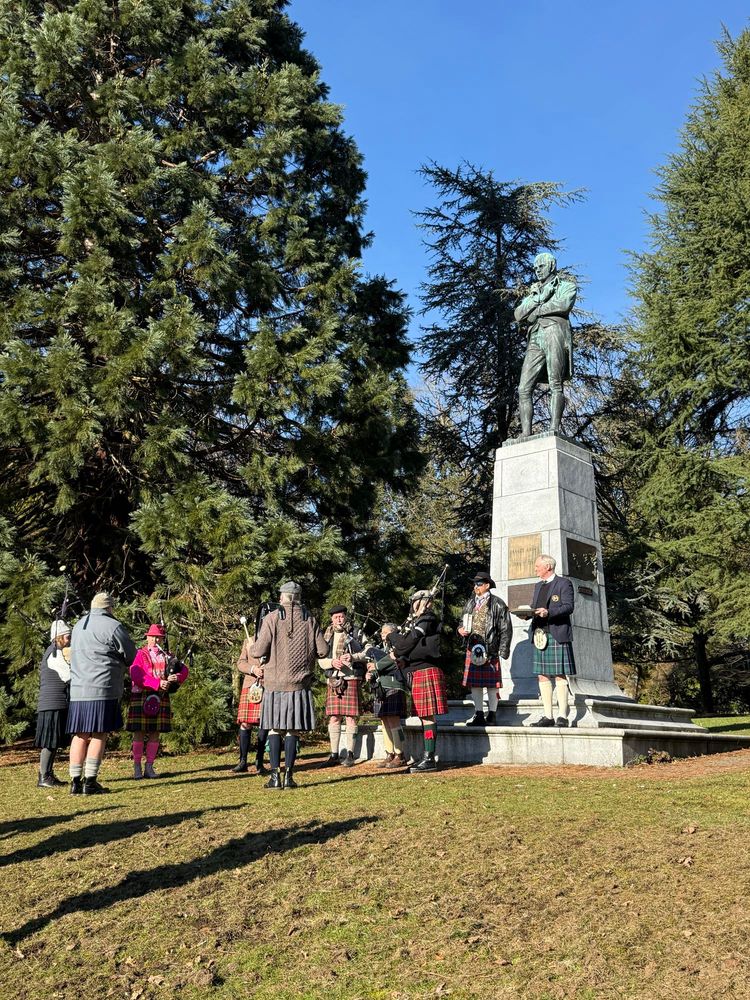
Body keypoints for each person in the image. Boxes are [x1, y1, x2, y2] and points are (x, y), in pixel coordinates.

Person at [249, 581, 328, 790]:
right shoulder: (310, 619)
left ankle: (275, 777)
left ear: (282, 597)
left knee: (275, 729)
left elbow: (258, 651)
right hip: (299, 684)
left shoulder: (271, 618)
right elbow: (323, 650)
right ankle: (289, 777)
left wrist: (252, 646)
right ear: (299, 597)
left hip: (275, 684)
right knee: (293, 731)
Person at [67, 592, 136, 794]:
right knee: (99, 733)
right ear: (109, 608)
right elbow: (131, 654)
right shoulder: (113, 626)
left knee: (79, 735)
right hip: (102, 688)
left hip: (78, 690)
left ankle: (74, 781)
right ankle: (90, 781)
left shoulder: (79, 625)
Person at [515, 252, 577, 436]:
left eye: (540, 267)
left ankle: (554, 428)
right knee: (523, 388)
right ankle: (526, 433)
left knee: (555, 383)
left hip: (554, 331)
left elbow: (564, 305)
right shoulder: (535, 293)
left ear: (551, 266)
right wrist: (538, 298)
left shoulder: (567, 286)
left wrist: (536, 312)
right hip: (535, 336)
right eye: (535, 268)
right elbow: (518, 315)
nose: (537, 270)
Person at [389, 589, 446, 774]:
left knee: (427, 715)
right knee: (424, 716)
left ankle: (429, 758)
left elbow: (406, 644)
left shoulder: (427, 618)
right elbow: (407, 646)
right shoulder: (418, 620)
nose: (414, 604)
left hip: (426, 670)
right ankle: (427, 756)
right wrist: (402, 656)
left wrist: (394, 643)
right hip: (417, 670)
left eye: (417, 601)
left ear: (425, 602)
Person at [126, 624, 188, 778]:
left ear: (162, 638)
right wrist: (157, 683)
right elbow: (136, 674)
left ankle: (149, 767)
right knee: (139, 733)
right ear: (147, 637)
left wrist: (176, 678)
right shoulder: (140, 654)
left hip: (160, 696)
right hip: (142, 694)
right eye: (152, 636)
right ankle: (137, 768)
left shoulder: (169, 656)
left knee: (155, 732)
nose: (155, 639)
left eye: (158, 637)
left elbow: (184, 670)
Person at [457, 571, 512, 726]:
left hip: (490, 647)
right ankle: (479, 713)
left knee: (492, 684)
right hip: (472, 647)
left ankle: (492, 714)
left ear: (487, 585)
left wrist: (503, 650)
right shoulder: (470, 603)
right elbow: (462, 622)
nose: (476, 587)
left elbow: (505, 628)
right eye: (475, 584)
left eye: (479, 584)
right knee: (475, 684)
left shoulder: (498, 604)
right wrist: (460, 630)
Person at [527, 555, 576, 727]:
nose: (535, 569)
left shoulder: (564, 583)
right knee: (542, 675)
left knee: (559, 674)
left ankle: (562, 715)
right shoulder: (538, 586)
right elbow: (535, 606)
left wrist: (549, 612)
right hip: (539, 634)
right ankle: (548, 716)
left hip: (556, 633)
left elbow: (569, 607)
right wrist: (528, 613)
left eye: (537, 566)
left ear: (548, 566)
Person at [318, 605, 368, 768]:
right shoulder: (326, 635)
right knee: (334, 717)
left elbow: (368, 651)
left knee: (351, 717)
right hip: (333, 678)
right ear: (331, 619)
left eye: (342, 616)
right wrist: (331, 662)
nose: (339, 619)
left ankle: (350, 755)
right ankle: (334, 754)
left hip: (351, 677)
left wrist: (353, 657)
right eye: (336, 617)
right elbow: (319, 657)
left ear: (346, 617)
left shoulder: (356, 633)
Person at [34, 619, 72, 788]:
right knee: (50, 741)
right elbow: (68, 675)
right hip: (52, 703)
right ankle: (44, 776)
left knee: (53, 741)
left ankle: (47, 774)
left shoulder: (56, 652)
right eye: (67, 637)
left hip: (56, 702)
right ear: (60, 638)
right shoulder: (54, 654)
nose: (69, 640)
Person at [366, 622, 408, 769]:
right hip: (381, 687)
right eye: (382, 632)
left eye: (386, 632)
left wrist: (376, 666)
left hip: (394, 685)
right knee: (384, 721)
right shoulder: (380, 648)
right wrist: (370, 672)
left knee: (394, 721)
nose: (383, 635)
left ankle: (400, 754)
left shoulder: (398, 646)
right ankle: (389, 753)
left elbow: (394, 661)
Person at [232, 638, 269, 776]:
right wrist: (253, 669)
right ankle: (242, 761)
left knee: (264, 723)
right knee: (245, 723)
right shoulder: (249, 640)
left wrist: (267, 669)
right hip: (250, 685)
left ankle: (259, 761)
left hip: (268, 685)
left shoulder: (274, 637)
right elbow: (240, 663)